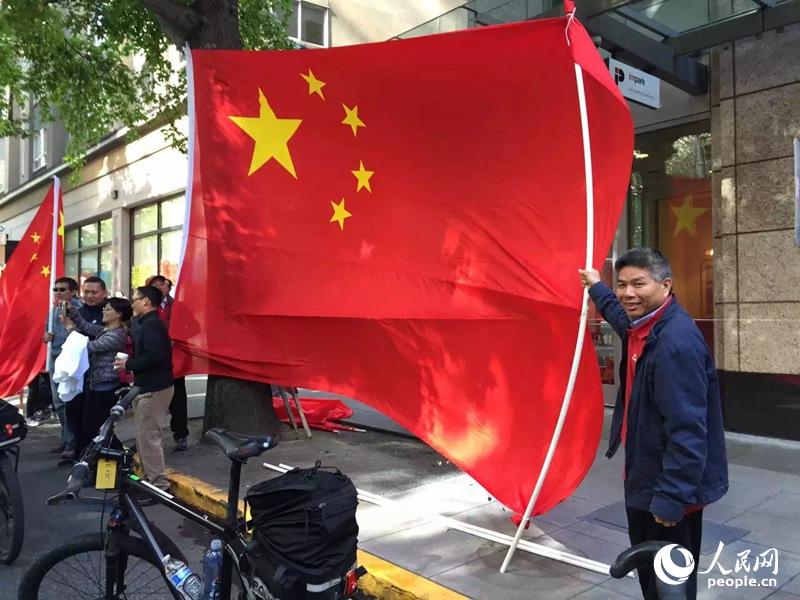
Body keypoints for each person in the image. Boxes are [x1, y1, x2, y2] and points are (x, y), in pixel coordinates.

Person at [579, 248, 728, 600]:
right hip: (646, 476)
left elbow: (689, 432)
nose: (628, 293)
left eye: (639, 284)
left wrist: (671, 499)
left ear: (665, 285)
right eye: (623, 284)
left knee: (669, 581)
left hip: (667, 488)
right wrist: (597, 287)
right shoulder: (645, 325)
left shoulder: (674, 344)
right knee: (652, 575)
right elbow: (619, 315)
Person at [115, 285, 174, 493]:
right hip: (146, 386)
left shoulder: (153, 326)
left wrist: (129, 364)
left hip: (155, 388)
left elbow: (156, 358)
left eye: (136, 299)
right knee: (143, 437)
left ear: (146, 301)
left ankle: (159, 486)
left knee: (149, 437)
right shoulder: (144, 323)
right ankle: (151, 480)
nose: (133, 303)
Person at [63, 297, 132, 457]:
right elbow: (86, 327)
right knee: (92, 425)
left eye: (108, 309)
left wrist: (69, 330)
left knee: (98, 426)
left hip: (107, 386)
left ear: (118, 314)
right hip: (96, 384)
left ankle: (118, 455)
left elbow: (88, 347)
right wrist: (72, 312)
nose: (104, 311)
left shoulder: (117, 335)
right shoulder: (106, 330)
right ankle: (106, 457)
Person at [63, 276, 108, 465]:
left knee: (94, 419)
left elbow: (97, 334)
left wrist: (75, 328)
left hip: (98, 374)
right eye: (86, 292)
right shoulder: (78, 312)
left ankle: (94, 456)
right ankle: (78, 452)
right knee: (73, 412)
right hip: (76, 372)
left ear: (104, 293)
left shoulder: (110, 313)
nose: (89, 296)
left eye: (94, 292)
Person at [147, 274, 188, 451]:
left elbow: (194, 327)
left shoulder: (179, 306)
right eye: (154, 285)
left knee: (178, 400)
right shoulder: (145, 308)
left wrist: (178, 337)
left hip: (175, 360)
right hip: (152, 360)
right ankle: (151, 438)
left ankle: (180, 435)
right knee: (152, 402)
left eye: (162, 284)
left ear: (168, 286)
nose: (159, 287)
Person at [43, 276, 83, 459]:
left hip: (72, 362)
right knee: (59, 403)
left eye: (62, 289)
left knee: (71, 402)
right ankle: (66, 437)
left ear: (73, 291)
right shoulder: (52, 311)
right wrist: (46, 337)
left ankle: (74, 441)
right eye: (55, 290)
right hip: (55, 361)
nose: (58, 293)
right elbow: (46, 333)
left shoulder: (80, 309)